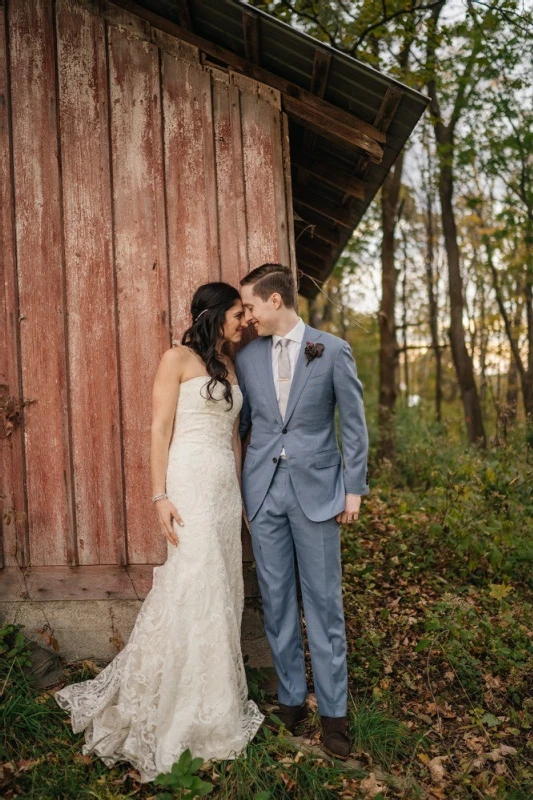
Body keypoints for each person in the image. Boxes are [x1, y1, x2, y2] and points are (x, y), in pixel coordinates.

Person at [55, 282, 264, 783]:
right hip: (188, 483)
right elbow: (158, 429)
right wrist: (158, 496)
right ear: (214, 314)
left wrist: (241, 500)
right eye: (238, 313)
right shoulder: (176, 359)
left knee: (221, 589)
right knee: (193, 584)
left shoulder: (230, 367)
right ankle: (171, 707)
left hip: (221, 491)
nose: (244, 322)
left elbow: (234, 439)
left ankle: (214, 703)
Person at [235, 263, 369, 761]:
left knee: (324, 602)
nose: (246, 316)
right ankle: (290, 698)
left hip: (318, 493)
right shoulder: (246, 357)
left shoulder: (332, 350)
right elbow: (245, 425)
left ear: (275, 301)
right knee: (275, 597)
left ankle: (334, 714)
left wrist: (352, 492)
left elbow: (353, 425)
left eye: (250, 305)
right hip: (265, 493)